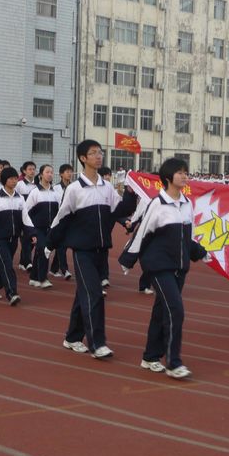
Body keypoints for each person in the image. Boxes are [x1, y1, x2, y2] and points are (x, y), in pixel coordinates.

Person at [47, 140, 137, 358]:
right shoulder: (74, 189)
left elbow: (119, 210)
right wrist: (48, 245)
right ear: (82, 158)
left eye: (100, 152)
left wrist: (130, 191)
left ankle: (72, 337)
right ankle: (97, 344)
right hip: (82, 251)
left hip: (101, 250)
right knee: (94, 294)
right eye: (93, 153)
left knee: (85, 294)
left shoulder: (107, 187)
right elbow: (61, 219)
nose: (99, 156)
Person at [119, 158, 207, 379]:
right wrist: (128, 259)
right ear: (168, 177)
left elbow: (187, 238)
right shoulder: (157, 204)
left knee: (161, 311)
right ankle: (173, 362)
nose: (184, 176)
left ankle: (150, 357)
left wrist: (200, 252)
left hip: (179, 266)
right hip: (158, 266)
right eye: (180, 172)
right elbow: (142, 233)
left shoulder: (187, 203)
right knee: (175, 310)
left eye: (186, 172)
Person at [0, 166, 35, 305]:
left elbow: (25, 218)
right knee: (7, 265)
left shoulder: (20, 198)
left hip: (13, 238)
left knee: (3, 267)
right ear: (4, 180)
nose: (14, 181)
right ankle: (12, 293)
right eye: (11, 179)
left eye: (15, 178)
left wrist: (32, 233)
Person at [25, 164, 61, 288]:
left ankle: (33, 277)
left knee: (41, 252)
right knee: (43, 250)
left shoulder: (56, 193)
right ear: (41, 175)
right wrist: (30, 230)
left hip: (50, 229)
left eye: (51, 172)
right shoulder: (35, 192)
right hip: (37, 228)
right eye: (47, 172)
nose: (50, 174)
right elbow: (26, 212)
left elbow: (60, 211)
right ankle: (43, 279)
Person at [50, 164, 74, 280]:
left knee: (62, 245)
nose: (69, 174)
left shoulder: (73, 187)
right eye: (67, 171)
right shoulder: (56, 188)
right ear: (61, 174)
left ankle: (54, 268)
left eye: (71, 171)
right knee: (61, 245)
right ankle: (64, 269)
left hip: (70, 219)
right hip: (59, 219)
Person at [15, 161, 38, 271]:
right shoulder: (19, 185)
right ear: (24, 171)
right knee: (25, 240)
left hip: (34, 217)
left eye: (34, 169)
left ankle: (22, 262)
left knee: (32, 241)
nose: (32, 171)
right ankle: (28, 262)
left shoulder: (37, 185)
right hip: (22, 216)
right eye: (29, 169)